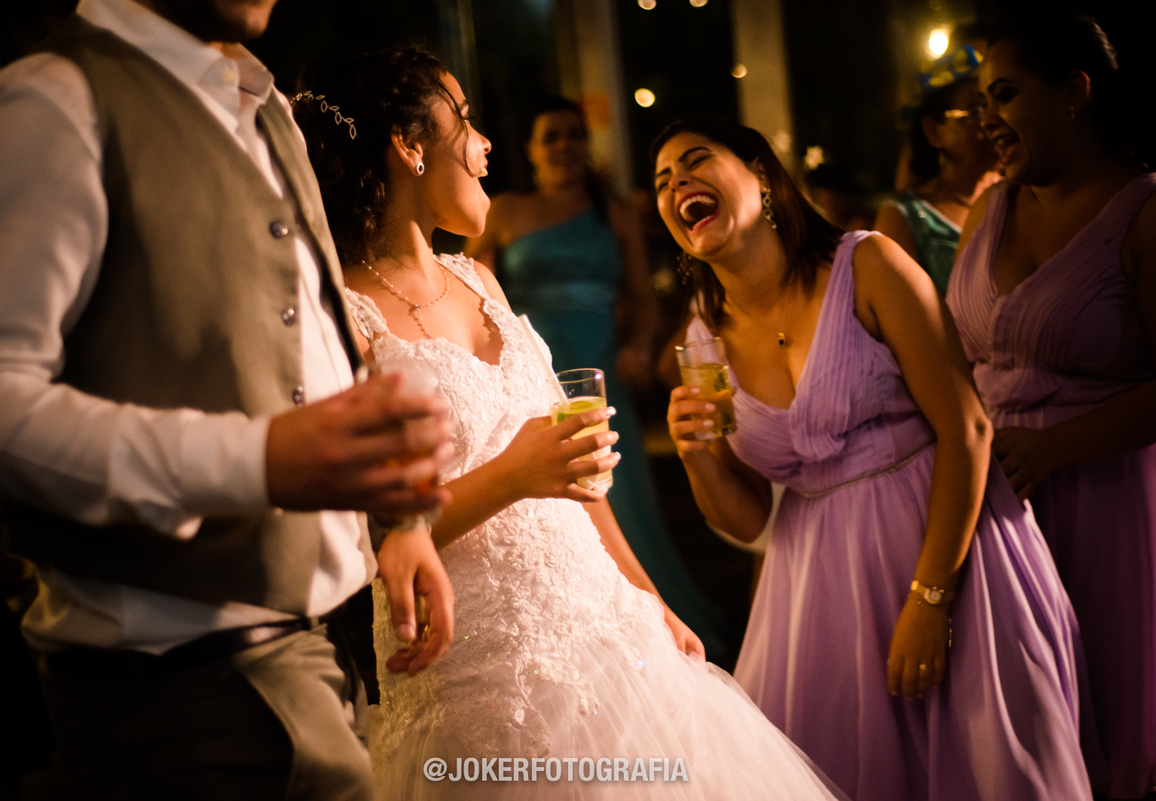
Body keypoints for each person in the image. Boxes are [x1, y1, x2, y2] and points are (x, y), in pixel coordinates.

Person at [296, 49, 846, 801]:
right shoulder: (340, 315)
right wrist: (515, 474)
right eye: (466, 121)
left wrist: (651, 597)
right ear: (408, 144)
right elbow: (359, 534)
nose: (487, 145)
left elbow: (572, 471)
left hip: (607, 629)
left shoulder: (479, 279)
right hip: (477, 678)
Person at [0, 1, 456, 798]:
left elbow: (316, 338)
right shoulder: (51, 104)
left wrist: (399, 520)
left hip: (331, 648)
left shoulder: (271, 114)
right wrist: (255, 461)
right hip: (182, 689)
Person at [655, 117, 1095, 801]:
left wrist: (931, 599)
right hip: (813, 591)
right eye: (661, 180)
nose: (676, 182)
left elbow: (967, 429)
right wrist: (697, 458)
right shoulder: (701, 339)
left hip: (948, 550)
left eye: (694, 161)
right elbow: (745, 522)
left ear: (763, 176)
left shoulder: (870, 266)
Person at [947, 15, 1156, 799]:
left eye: (1003, 94)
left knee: (1108, 727)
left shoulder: (1142, 212)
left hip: (1108, 506)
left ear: (1074, 94)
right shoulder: (987, 208)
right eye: (979, 99)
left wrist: (1054, 448)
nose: (985, 119)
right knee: (1013, 734)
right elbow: (955, 361)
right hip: (993, 503)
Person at [464, 98, 737, 660]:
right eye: (552, 136)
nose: (565, 145)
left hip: (598, 375)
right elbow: (473, 296)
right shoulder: (506, 210)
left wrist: (638, 346)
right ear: (531, 149)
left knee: (619, 497)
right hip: (532, 369)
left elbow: (641, 295)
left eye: (574, 135)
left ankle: (650, 610)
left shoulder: (612, 213)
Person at [875, 47, 1000, 295]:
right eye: (976, 111)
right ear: (934, 131)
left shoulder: (1017, 195)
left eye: (995, 105)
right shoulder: (903, 218)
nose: (991, 122)